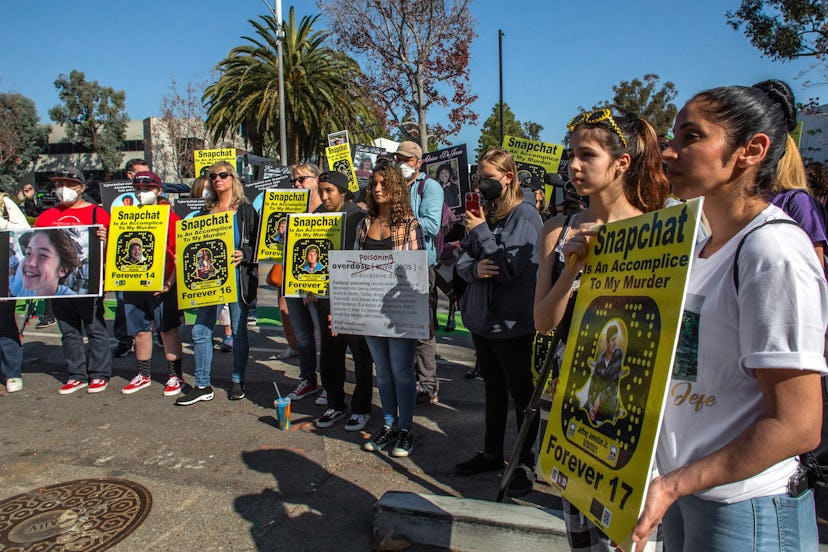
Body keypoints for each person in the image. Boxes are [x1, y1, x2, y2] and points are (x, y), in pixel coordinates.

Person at [632, 82, 828, 551]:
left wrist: (676, 483)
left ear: (751, 150)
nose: (668, 151)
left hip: (747, 510)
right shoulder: (697, 245)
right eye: (671, 137)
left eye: (690, 137)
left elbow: (797, 424)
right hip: (685, 495)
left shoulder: (772, 250)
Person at [534, 108, 669, 550]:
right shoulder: (558, 230)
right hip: (573, 402)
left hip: (636, 413)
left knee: (629, 538)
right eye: (571, 154)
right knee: (581, 532)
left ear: (622, 163)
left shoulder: (659, 232)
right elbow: (542, 322)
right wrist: (572, 269)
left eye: (587, 155)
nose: (573, 166)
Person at [452, 148, 543, 497]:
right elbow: (462, 259)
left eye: (489, 179)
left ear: (508, 177)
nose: (482, 184)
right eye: (479, 178)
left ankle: (524, 464)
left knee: (522, 396)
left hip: (512, 324)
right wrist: (473, 269)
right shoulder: (487, 213)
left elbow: (507, 270)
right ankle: (492, 453)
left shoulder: (526, 216)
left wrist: (482, 235)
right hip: (483, 323)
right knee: (492, 390)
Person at [177, 162, 259, 405]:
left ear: (233, 178)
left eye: (223, 175)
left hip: (237, 280)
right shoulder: (205, 212)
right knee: (200, 330)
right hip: (208, 280)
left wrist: (244, 253)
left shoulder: (245, 211)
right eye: (212, 176)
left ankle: (237, 379)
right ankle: (202, 384)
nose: (217, 179)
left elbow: (258, 244)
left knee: (238, 330)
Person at [358, 160, 424, 457]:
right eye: (374, 184)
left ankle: (406, 429)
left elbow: (419, 273)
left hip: (400, 313)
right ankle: (387, 424)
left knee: (401, 371)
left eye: (384, 183)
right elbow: (354, 269)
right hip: (370, 311)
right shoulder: (363, 224)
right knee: (382, 372)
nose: (378, 188)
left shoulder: (410, 225)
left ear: (397, 187)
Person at [35, 166, 112, 394]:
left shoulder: (98, 214)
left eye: (69, 185)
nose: (63, 189)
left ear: (81, 188)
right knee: (68, 330)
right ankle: (76, 374)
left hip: (89, 282)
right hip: (57, 284)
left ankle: (99, 373)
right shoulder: (46, 216)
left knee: (94, 327)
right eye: (59, 185)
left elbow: (111, 250)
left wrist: (105, 240)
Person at [312, 171, 374, 431]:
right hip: (322, 297)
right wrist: (304, 284)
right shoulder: (315, 216)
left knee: (360, 356)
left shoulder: (359, 217)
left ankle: (361, 409)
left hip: (352, 298)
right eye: (321, 190)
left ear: (343, 192)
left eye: (330, 191)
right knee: (329, 353)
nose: (325, 196)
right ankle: (335, 403)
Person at [120, 171, 185, 397]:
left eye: (146, 189)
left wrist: (169, 282)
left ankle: (175, 376)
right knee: (139, 331)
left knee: (167, 330)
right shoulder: (127, 216)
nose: (141, 193)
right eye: (137, 189)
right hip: (134, 282)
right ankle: (143, 374)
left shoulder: (172, 219)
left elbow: (179, 255)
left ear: (158, 191)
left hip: (162, 285)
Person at [395, 141, 442, 405]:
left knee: (423, 328)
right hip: (396, 263)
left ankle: (428, 384)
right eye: (397, 158)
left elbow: (432, 226)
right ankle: (409, 378)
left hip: (421, 264)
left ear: (418, 162)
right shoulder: (396, 185)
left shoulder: (429, 187)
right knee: (401, 326)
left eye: (406, 159)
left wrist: (399, 218)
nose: (401, 163)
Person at [285, 163, 326, 401]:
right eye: (294, 181)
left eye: (302, 179)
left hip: (318, 284)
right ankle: (308, 379)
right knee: (302, 336)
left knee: (324, 336)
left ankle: (330, 383)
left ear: (316, 180)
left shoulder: (325, 208)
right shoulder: (288, 210)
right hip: (293, 281)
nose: (298, 184)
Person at [112, 158, 149, 358]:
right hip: (124, 259)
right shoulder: (117, 199)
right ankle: (124, 339)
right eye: (140, 173)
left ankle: (157, 336)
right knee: (122, 300)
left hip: (149, 258)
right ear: (130, 175)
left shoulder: (155, 196)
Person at [1, 197, 31, 393]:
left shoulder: (3, 201)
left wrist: (2, 224)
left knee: (4, 325)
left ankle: (12, 372)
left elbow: (25, 230)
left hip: (3, 274)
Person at [15, 230, 80, 297]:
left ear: (62, 270)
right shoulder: (24, 293)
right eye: (28, 253)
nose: (30, 262)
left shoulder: (73, 302)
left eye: (43, 255)